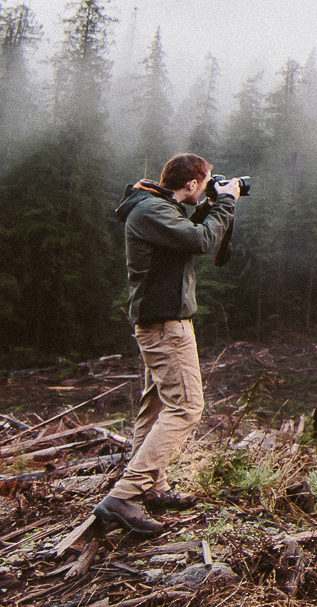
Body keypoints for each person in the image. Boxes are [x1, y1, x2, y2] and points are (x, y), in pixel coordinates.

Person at [95, 152, 238, 536]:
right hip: (165, 325)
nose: (208, 187)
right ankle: (125, 496)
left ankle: (151, 486)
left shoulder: (156, 207)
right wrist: (224, 203)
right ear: (191, 183)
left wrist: (212, 203)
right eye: (206, 182)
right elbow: (202, 240)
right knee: (187, 407)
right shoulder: (152, 211)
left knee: (155, 404)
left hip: (159, 320)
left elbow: (185, 238)